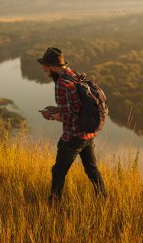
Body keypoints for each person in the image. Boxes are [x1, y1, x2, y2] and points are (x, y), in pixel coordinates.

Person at [37, 47, 107, 205]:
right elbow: (76, 107)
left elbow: (68, 116)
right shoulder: (73, 74)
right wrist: (56, 109)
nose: (43, 69)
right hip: (87, 134)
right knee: (92, 170)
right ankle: (103, 199)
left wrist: (51, 116)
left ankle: (54, 206)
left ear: (52, 67)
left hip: (73, 137)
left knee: (58, 172)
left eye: (45, 66)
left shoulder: (61, 84)